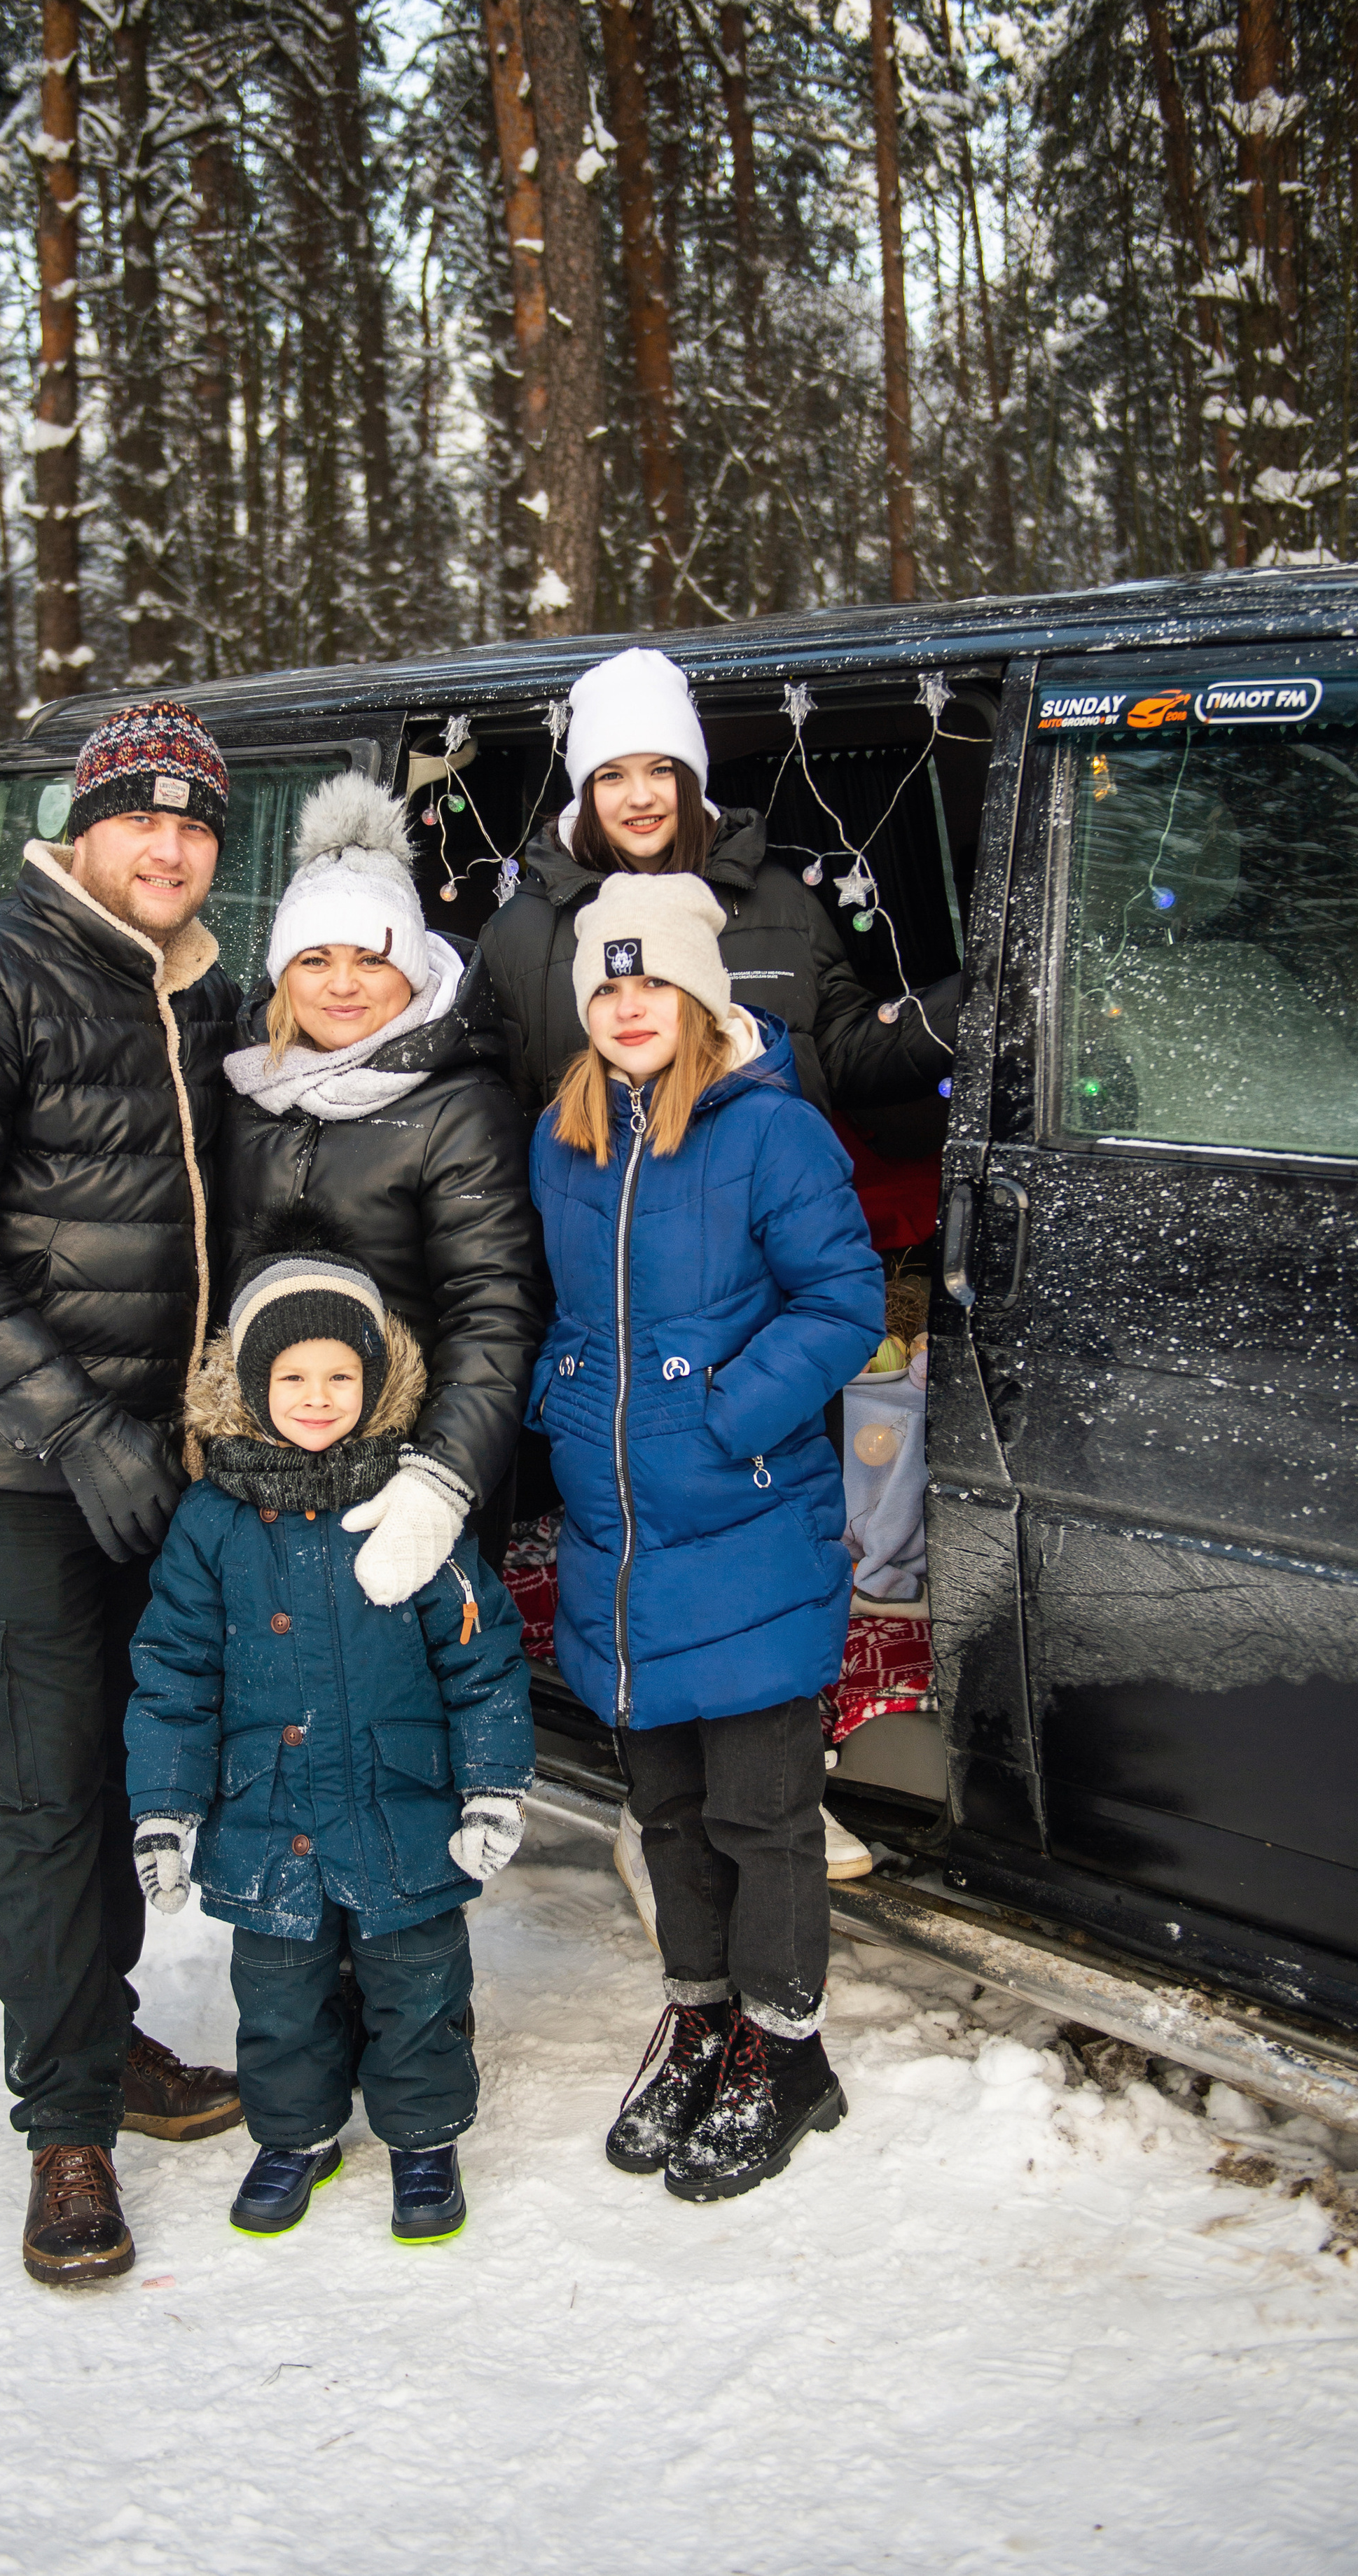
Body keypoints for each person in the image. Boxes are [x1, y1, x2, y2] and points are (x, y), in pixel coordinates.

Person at [0, 699, 247, 2290]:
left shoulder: (193, 993)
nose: (167, 846)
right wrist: (75, 1427)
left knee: (119, 1774)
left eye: (194, 824)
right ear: (80, 829)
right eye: (139, 818)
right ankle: (62, 2131)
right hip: (14, 1469)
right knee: (33, 1787)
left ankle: (107, 2036)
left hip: (157, 1463)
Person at [526, 871, 885, 2203]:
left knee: (760, 1811)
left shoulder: (770, 1132)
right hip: (621, 1532)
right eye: (605, 988)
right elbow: (559, 1305)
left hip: (744, 1517)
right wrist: (560, 1396)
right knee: (666, 1808)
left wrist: (734, 1408)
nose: (628, 1009)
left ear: (698, 993)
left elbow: (844, 1299)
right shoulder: (560, 1133)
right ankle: (702, 2013)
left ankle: (788, 2049)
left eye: (650, 983)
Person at [125, 1208, 534, 2243]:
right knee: (280, 1995)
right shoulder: (214, 1521)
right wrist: (166, 1810)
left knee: (418, 1983)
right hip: (268, 1813)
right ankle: (294, 2135)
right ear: (254, 1385)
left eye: (339, 1379)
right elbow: (175, 1674)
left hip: (400, 1805)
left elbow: (480, 1653)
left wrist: (493, 1781)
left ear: (375, 1382)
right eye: (294, 1379)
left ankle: (424, 2136)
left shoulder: (412, 1505)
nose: (317, 1400)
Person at [217, 772, 548, 1607]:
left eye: (372, 958)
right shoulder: (246, 1085)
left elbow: (494, 1310)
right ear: (282, 971)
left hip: (400, 1474)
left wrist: (441, 1477)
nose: (342, 983)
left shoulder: (459, 1103)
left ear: (412, 967)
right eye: (316, 958)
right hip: (263, 1463)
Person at [477, 643, 959, 1118]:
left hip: (766, 1190)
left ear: (691, 780)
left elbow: (838, 1053)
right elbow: (503, 1118)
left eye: (661, 770)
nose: (640, 796)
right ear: (585, 790)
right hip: (610, 1195)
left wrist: (982, 995)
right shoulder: (520, 934)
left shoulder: (776, 898)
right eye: (612, 776)